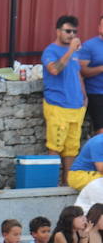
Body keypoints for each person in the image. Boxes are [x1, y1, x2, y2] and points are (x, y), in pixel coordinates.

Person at [44, 15, 88, 180]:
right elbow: (54, 70)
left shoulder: (76, 53)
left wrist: (84, 96)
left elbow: (77, 73)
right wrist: (70, 50)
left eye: (74, 31)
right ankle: (50, 184)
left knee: (72, 147)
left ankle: (67, 182)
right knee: (55, 145)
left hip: (76, 106)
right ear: (58, 31)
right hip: (58, 105)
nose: (71, 35)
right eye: (68, 31)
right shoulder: (51, 50)